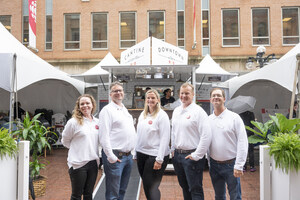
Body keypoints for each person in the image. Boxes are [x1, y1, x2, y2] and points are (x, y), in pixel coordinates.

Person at [171, 83, 212, 200]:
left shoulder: (199, 112)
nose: (184, 96)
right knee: (184, 187)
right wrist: (173, 149)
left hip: (192, 156)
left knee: (195, 189)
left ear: (193, 94)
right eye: (182, 93)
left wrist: (197, 155)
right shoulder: (176, 111)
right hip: (178, 156)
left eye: (187, 93)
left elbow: (206, 136)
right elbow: (174, 132)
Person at [208, 88, 248, 200]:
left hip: (231, 165)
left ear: (224, 99)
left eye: (219, 95)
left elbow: (242, 141)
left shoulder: (234, 118)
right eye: (213, 96)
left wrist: (239, 165)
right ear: (211, 99)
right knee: (219, 196)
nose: (216, 97)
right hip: (214, 165)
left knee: (235, 196)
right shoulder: (208, 120)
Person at [98, 81, 136, 200]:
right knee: (113, 192)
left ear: (123, 93)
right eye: (115, 91)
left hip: (127, 156)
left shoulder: (124, 109)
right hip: (115, 156)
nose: (118, 93)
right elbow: (103, 135)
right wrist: (110, 156)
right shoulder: (107, 110)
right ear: (110, 94)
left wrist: (133, 151)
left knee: (122, 189)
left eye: (120, 90)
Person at [61, 94, 100, 200]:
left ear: (92, 105)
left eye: (87, 103)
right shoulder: (73, 122)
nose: (85, 106)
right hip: (78, 164)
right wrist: (76, 149)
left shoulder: (97, 122)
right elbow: (64, 141)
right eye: (82, 104)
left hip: (93, 163)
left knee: (88, 194)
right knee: (76, 195)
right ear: (78, 107)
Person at [135, 89, 170, 200]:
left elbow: (165, 138)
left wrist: (159, 159)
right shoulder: (143, 115)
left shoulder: (162, 115)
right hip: (142, 154)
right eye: (148, 98)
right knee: (146, 185)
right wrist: (136, 153)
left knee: (151, 186)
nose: (150, 100)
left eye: (153, 98)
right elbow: (138, 134)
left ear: (158, 100)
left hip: (154, 155)